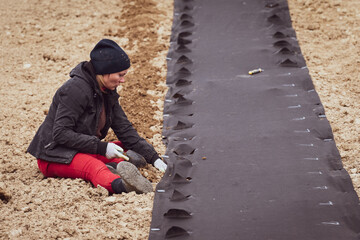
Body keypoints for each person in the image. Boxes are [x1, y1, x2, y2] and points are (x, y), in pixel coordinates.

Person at [27, 39, 167, 194]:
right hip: (54, 154)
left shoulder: (107, 91)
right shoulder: (75, 90)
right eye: (120, 75)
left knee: (124, 145)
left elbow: (125, 129)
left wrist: (154, 158)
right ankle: (122, 185)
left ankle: (117, 164)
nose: (123, 80)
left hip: (78, 148)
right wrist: (102, 147)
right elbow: (60, 133)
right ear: (105, 71)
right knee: (93, 167)